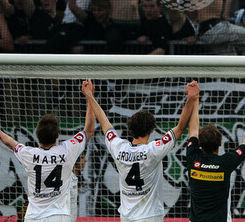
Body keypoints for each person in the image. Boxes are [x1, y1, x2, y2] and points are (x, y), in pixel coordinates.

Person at [82, 79, 199, 222]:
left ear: (130, 128)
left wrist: (89, 96)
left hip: (127, 217)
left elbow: (104, 122)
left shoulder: (119, 148)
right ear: (151, 130)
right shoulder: (153, 150)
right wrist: (191, 98)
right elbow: (180, 127)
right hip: (150, 216)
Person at [0, 82, 95, 222]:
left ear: (37, 135)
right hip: (58, 216)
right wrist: (89, 97)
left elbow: (10, 142)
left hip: (34, 217)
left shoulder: (29, 154)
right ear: (58, 135)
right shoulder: (67, 149)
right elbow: (89, 131)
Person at [186, 93, 245, 222]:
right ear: (220, 143)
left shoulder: (193, 158)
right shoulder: (225, 163)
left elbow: (193, 130)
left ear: (199, 143)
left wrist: (195, 99)